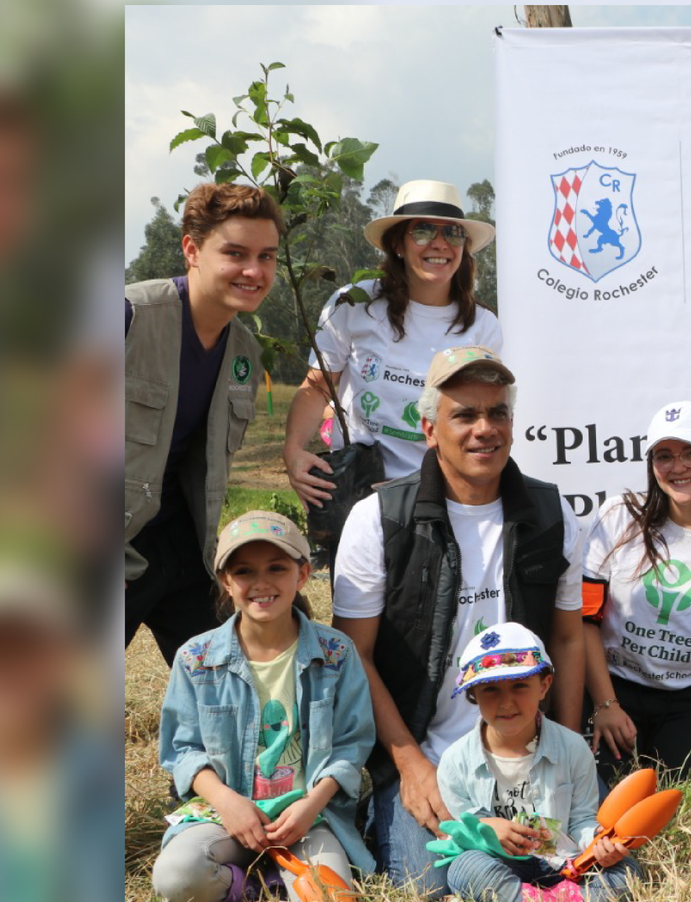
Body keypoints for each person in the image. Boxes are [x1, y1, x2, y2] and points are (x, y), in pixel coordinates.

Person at [331, 347, 584, 898]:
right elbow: (356, 657)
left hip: (526, 749)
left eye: (497, 413)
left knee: (572, 867)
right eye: (464, 415)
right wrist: (409, 763)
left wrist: (565, 745)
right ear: (429, 428)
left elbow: (567, 636)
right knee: (434, 885)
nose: (484, 429)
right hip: (427, 756)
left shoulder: (552, 514)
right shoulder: (378, 520)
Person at [152, 512, 374, 901]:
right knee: (177, 878)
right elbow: (182, 750)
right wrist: (227, 802)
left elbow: (352, 742)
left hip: (307, 817)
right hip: (225, 816)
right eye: (244, 571)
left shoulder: (336, 653)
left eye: (276, 568)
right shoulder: (196, 658)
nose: (261, 584)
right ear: (225, 581)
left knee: (330, 896)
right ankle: (246, 885)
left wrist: (311, 804)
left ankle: (284, 876)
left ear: (303, 574)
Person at [283, 180, 501, 548]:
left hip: (445, 502)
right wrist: (292, 451)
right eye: (424, 230)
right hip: (361, 500)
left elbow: (486, 416)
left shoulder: (483, 326)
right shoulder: (352, 305)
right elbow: (318, 385)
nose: (439, 243)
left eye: (453, 233)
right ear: (398, 244)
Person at [126, 183, 282, 664]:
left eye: (267, 256)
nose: (254, 271)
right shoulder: (128, 316)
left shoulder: (244, 356)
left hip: (182, 548)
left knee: (229, 682)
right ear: (192, 250)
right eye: (235, 253)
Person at [582, 401, 691, 785]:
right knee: (603, 791)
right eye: (664, 456)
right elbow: (585, 622)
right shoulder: (619, 517)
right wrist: (604, 704)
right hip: (617, 686)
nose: (678, 467)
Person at [436, 623, 643, 902]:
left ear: (544, 686)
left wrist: (598, 842)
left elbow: (581, 818)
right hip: (502, 864)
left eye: (520, 686)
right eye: (490, 690)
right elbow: (464, 828)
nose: (506, 703)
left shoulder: (573, 748)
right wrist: (488, 827)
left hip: (566, 861)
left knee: (625, 868)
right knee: (465, 867)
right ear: (474, 695)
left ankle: (566, 895)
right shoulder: (454, 762)